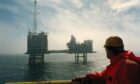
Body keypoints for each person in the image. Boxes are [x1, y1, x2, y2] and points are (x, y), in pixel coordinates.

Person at [72, 36, 140, 84]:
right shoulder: (114, 64)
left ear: (110, 50)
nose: (106, 51)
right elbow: (103, 76)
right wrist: (88, 77)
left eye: (106, 49)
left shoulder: (127, 66)